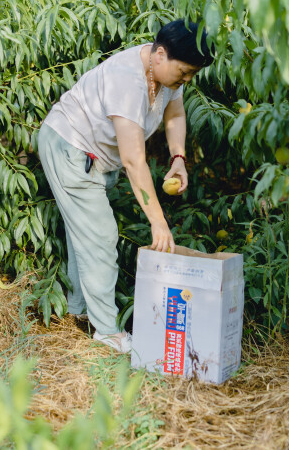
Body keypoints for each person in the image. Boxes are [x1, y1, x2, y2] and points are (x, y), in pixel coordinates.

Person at [37, 19, 214, 353]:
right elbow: (134, 160)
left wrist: (179, 157)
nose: (187, 80)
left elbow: (174, 113)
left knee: (86, 235)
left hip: (93, 155)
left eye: (192, 74)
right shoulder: (127, 81)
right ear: (160, 55)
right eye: (185, 72)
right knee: (101, 237)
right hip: (70, 148)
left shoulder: (166, 76)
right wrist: (158, 221)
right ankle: (106, 331)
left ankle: (78, 313)